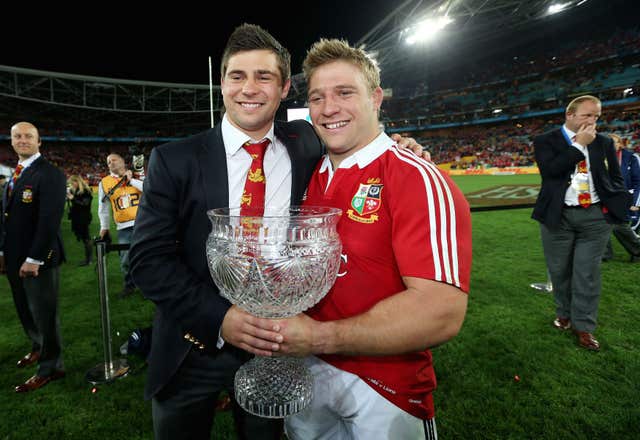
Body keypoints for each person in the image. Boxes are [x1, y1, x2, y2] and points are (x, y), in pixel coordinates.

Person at [129, 24, 425, 440]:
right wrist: (221, 319)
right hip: (191, 344)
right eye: (238, 76)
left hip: (278, 346)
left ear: (285, 88)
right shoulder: (174, 160)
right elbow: (147, 259)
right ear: (222, 83)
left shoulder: (305, 141)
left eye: (264, 76)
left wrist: (400, 145)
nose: (249, 88)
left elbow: (359, 140)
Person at [242, 39, 471, 440]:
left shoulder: (415, 176)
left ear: (376, 97)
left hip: (384, 387)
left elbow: (441, 311)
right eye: (317, 97)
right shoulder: (310, 172)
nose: (329, 108)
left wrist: (320, 337)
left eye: (345, 93)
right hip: (307, 372)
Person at [532, 95, 631, 351]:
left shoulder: (605, 142)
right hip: (558, 215)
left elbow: (615, 178)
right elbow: (551, 171)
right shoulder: (546, 140)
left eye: (596, 116)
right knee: (559, 271)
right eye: (587, 115)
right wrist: (578, 147)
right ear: (570, 115)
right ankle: (564, 314)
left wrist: (614, 204)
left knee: (587, 274)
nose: (593, 121)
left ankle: (584, 327)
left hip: (595, 217)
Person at [0, 122, 67, 392]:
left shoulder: (50, 174)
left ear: (40, 142)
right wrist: (3, 252)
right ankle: (38, 348)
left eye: (29, 136)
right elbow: (6, 220)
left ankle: (52, 368)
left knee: (44, 314)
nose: (23, 140)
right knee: (25, 310)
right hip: (14, 258)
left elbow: (49, 220)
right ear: (12, 142)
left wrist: (35, 258)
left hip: (37, 260)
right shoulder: (15, 174)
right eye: (18, 136)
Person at [98, 152, 143, 297]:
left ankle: (148, 286)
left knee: (146, 255)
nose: (111, 163)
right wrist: (104, 227)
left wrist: (131, 181)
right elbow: (103, 207)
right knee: (126, 259)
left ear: (123, 162)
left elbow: (150, 189)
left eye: (114, 159)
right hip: (123, 227)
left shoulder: (138, 174)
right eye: (108, 162)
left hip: (143, 224)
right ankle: (129, 286)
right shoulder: (104, 182)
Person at [601, 134, 640, 262]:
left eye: (615, 142)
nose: (612, 145)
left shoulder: (631, 158)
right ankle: (605, 254)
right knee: (601, 224)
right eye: (609, 142)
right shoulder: (600, 158)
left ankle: (637, 251)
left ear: (620, 144)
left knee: (621, 227)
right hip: (606, 198)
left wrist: (635, 202)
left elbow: (638, 181)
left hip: (626, 198)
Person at [67, 175, 94, 266]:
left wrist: (72, 198)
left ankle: (89, 260)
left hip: (83, 217)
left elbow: (85, 204)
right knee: (84, 238)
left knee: (86, 237)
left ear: (77, 181)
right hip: (77, 217)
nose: (71, 185)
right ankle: (88, 259)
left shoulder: (86, 191)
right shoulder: (75, 191)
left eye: (72, 182)